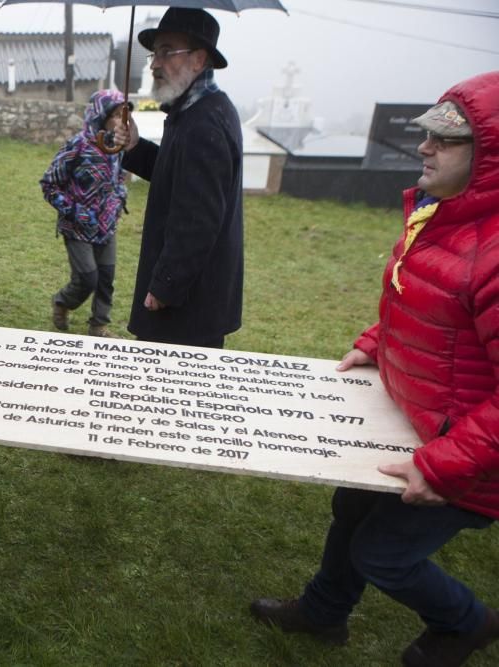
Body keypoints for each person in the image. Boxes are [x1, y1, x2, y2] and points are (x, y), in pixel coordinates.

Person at [249, 71, 499, 667]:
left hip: (470, 456)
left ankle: (463, 624)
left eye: (447, 140)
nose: (424, 147)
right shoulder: (443, 218)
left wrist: (441, 467)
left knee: (385, 554)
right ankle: (323, 612)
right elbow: (423, 310)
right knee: (354, 508)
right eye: (428, 136)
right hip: (419, 422)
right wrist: (376, 342)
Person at [113, 8, 243, 349]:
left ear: (199, 59)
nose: (155, 63)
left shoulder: (204, 123)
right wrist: (136, 147)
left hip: (187, 308)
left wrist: (166, 285)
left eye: (167, 51)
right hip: (189, 301)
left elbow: (199, 219)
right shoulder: (193, 111)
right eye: (154, 52)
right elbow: (177, 177)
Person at [41, 89, 130, 338]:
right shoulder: (77, 146)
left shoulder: (117, 146)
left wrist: (120, 197)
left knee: (106, 277)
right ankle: (62, 302)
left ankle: (99, 324)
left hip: (107, 226)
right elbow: (49, 184)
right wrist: (75, 211)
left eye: (124, 115)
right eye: (114, 115)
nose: (120, 121)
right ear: (99, 115)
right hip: (77, 227)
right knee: (88, 277)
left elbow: (118, 178)